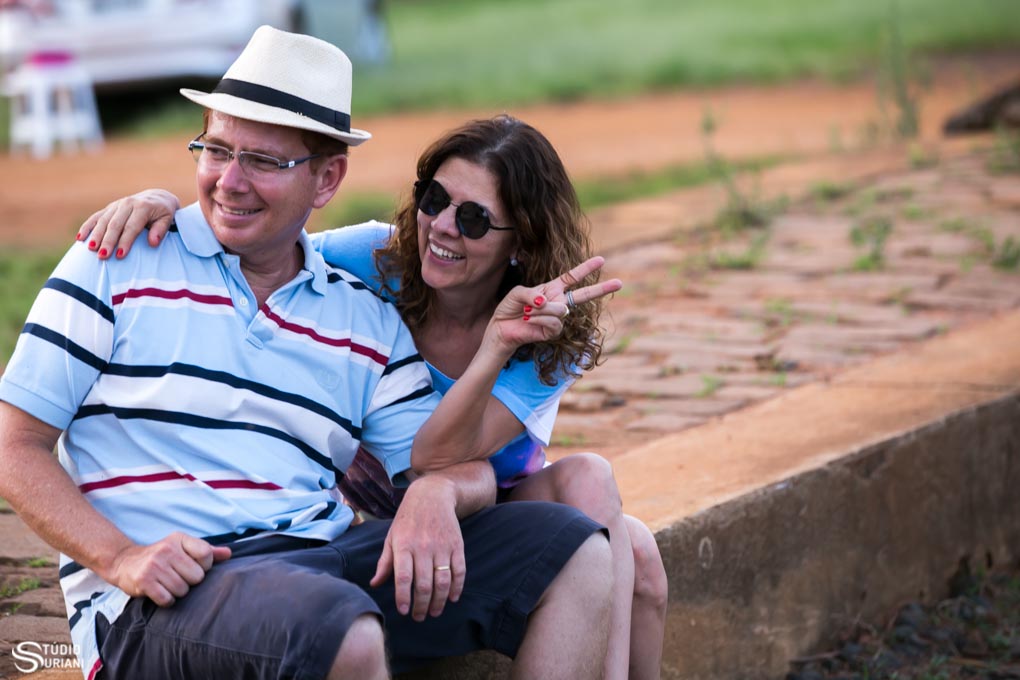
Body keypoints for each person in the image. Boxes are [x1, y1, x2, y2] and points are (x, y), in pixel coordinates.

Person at [0, 26, 620, 680]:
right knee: (340, 628)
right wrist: (121, 557)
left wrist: (436, 492)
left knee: (574, 554)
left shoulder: (361, 312)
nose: (229, 181)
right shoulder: (116, 259)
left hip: (324, 561)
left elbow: (442, 460)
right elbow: (15, 444)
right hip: (172, 593)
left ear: (327, 179)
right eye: (216, 149)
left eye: (263, 161)